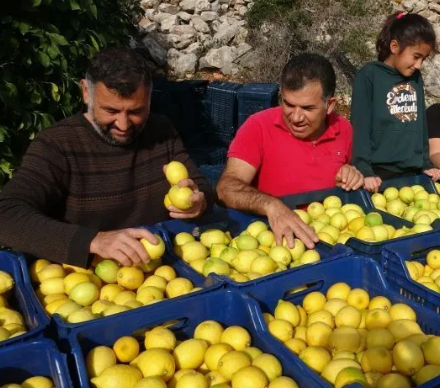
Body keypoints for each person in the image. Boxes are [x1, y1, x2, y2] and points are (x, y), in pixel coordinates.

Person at [0, 48, 213, 268]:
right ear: (85, 92)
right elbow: (6, 214)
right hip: (90, 276)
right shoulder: (57, 145)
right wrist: (93, 240)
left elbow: (202, 186)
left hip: (162, 269)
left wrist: (200, 201)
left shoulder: (162, 131)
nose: (123, 124)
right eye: (111, 111)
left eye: (136, 111)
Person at [216, 53, 364, 249]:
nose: (295, 117)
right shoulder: (258, 127)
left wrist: (351, 176)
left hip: (329, 243)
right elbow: (226, 188)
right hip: (273, 244)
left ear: (330, 105)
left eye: (307, 108)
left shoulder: (344, 129)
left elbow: (348, 183)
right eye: (288, 104)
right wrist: (271, 205)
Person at [350, 12, 440, 193]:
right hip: (378, 176)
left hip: (413, 173)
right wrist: (365, 170)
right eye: (416, 56)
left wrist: (426, 163)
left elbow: (420, 124)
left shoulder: (415, 78)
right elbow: (360, 127)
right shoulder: (369, 76)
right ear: (394, 46)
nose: (419, 65)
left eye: (423, 59)